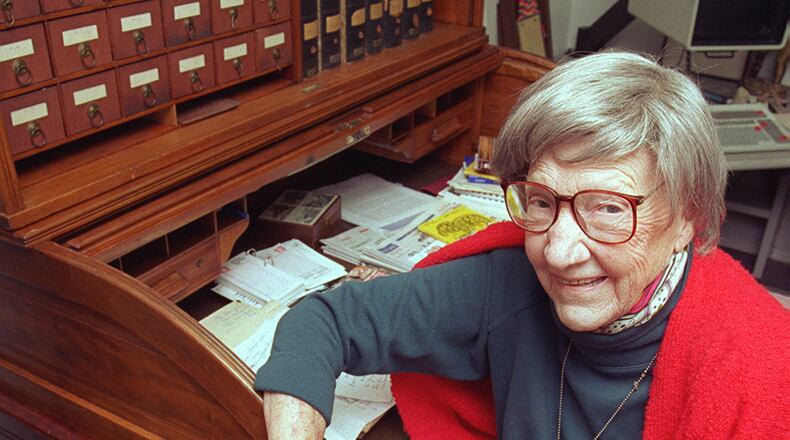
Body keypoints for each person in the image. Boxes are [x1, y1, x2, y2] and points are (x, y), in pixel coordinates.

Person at [255, 51, 790, 439]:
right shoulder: (505, 281)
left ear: (685, 220)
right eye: (540, 201)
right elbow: (324, 321)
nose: (557, 252)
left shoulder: (762, 371)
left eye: (607, 209)